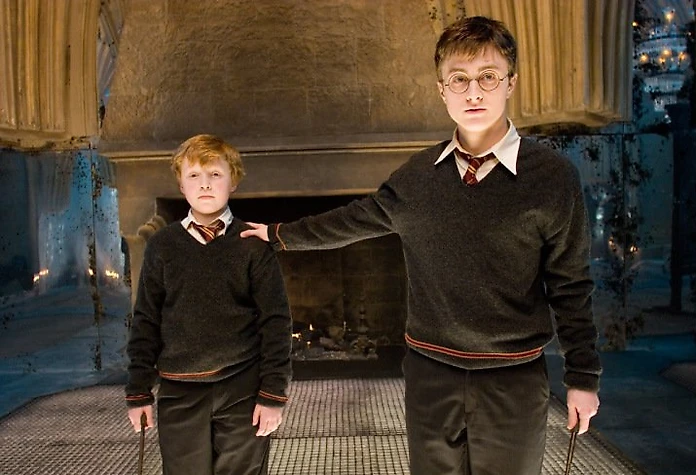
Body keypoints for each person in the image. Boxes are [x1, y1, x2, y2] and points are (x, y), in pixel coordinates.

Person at [242, 15, 600, 475]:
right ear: (441, 90)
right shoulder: (417, 178)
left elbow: (571, 285)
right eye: (459, 79)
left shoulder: (551, 179)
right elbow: (352, 220)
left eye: (488, 77)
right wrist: (278, 235)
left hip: (513, 378)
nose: (473, 92)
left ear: (510, 83)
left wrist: (582, 376)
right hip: (431, 375)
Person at [125, 134, 292, 475]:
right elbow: (146, 319)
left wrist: (273, 394)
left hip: (242, 388)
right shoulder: (162, 246)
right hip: (179, 392)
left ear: (233, 182)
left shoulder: (252, 245)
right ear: (181, 185)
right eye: (194, 175)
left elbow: (276, 321)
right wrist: (138, 391)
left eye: (215, 174)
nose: (205, 184)